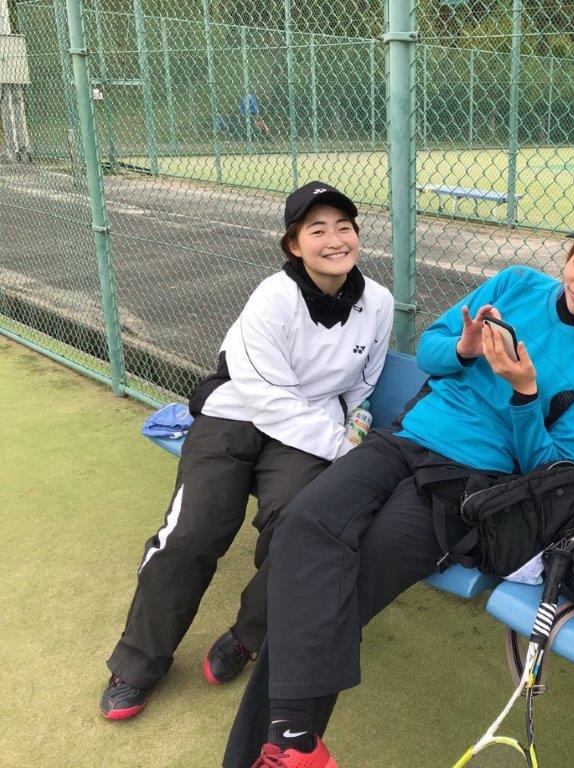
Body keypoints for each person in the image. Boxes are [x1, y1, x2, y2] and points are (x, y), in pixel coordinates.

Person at [223, 204, 574, 767]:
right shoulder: (516, 284)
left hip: (463, 488)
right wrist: (464, 348)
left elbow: (549, 470)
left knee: (343, 589)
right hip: (404, 440)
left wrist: (525, 394)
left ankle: (276, 746)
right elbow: (432, 351)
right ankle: (294, 739)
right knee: (302, 525)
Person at [99, 181, 394, 720]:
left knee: (299, 527)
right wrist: (341, 447)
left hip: (309, 424)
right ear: (294, 245)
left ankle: (248, 634)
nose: (335, 240)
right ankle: (139, 660)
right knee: (193, 530)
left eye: (344, 227)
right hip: (239, 410)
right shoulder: (272, 297)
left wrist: (354, 424)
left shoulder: (378, 303)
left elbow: (363, 382)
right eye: (317, 230)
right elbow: (268, 400)